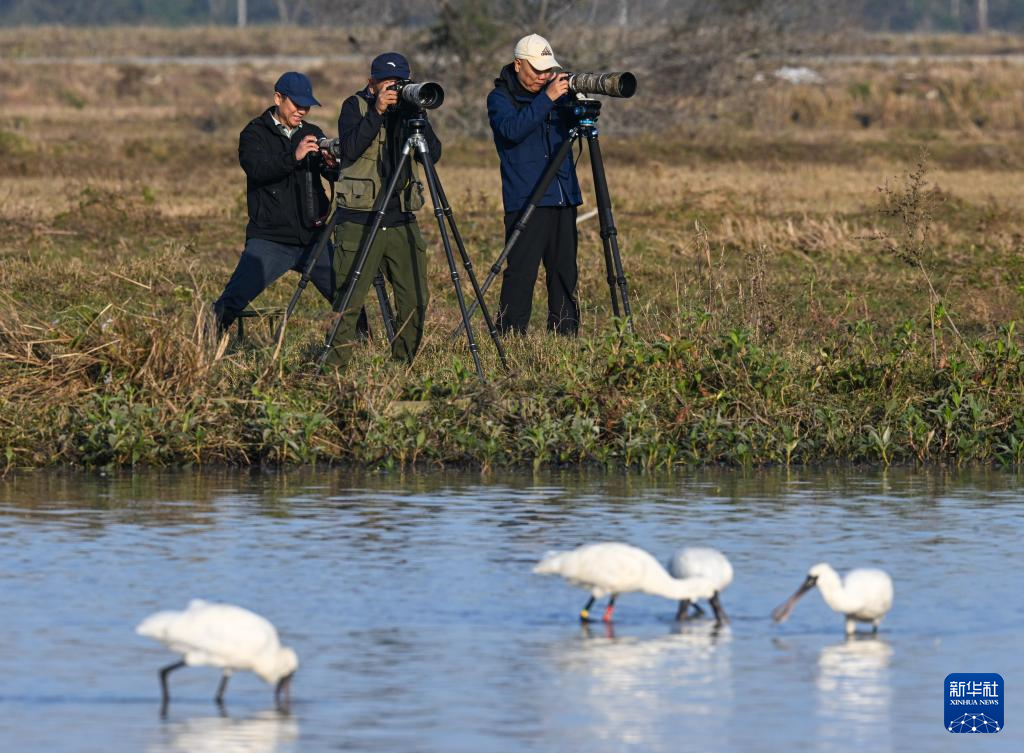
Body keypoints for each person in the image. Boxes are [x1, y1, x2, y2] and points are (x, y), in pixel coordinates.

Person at [326, 52, 441, 367]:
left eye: (400, 83)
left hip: (401, 218)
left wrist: (418, 115)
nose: (394, 89)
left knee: (415, 299)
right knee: (348, 300)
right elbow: (350, 149)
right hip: (359, 222)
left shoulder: (408, 111)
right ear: (371, 83)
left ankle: (401, 364)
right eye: (387, 83)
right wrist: (376, 111)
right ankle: (334, 370)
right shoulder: (355, 107)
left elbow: (433, 156)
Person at [212, 71, 339, 334]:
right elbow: (258, 170)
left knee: (346, 294)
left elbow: (330, 175)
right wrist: (295, 155)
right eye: (297, 104)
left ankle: (362, 345)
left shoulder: (313, 132)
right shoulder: (254, 133)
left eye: (307, 105)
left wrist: (332, 165)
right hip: (270, 238)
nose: (302, 110)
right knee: (234, 298)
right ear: (278, 98)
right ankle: (203, 343)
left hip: (314, 238)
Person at [487, 34, 582, 337]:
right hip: (526, 198)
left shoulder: (555, 93)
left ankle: (565, 334)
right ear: (518, 65)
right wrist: (548, 98)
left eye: (547, 70)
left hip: (563, 194)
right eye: (537, 70)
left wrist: (579, 103)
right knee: (521, 273)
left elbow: (578, 130)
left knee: (565, 271)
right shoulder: (500, 99)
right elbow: (512, 130)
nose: (543, 76)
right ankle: (511, 335)